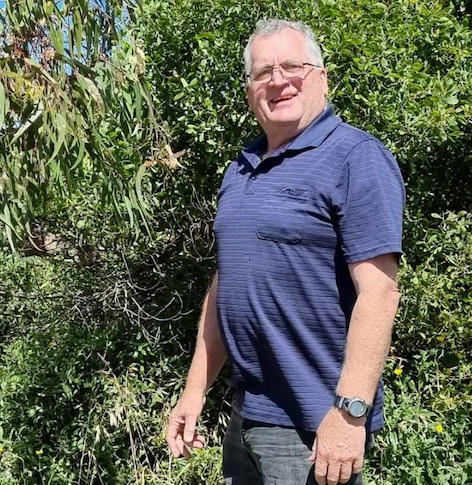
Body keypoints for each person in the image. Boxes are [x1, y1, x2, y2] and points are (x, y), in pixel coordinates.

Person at [166, 18, 405, 485]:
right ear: (250, 89)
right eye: (263, 72)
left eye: (292, 66)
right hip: (249, 412)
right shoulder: (240, 169)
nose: (278, 80)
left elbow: (379, 293)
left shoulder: (356, 158)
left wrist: (350, 412)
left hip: (315, 425)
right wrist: (195, 391)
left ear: (321, 76)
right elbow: (226, 283)